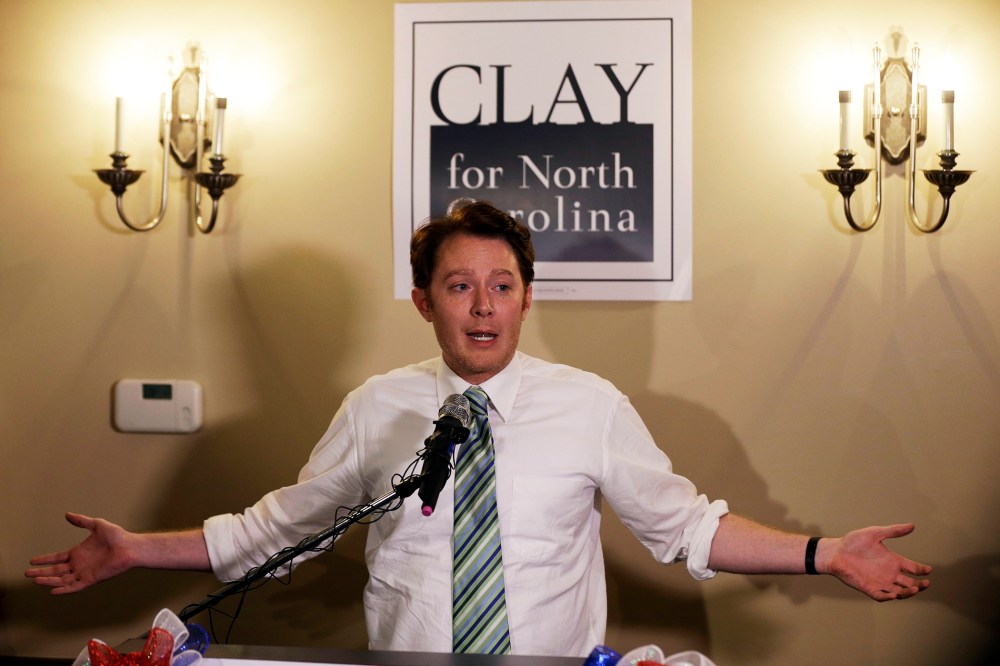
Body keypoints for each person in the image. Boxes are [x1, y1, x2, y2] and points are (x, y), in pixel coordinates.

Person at [26, 199, 932, 657]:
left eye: (502, 286)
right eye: (459, 287)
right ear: (425, 302)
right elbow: (278, 531)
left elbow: (687, 528)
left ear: (528, 298)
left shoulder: (590, 405)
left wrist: (828, 554)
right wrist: (139, 549)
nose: (484, 307)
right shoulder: (376, 408)